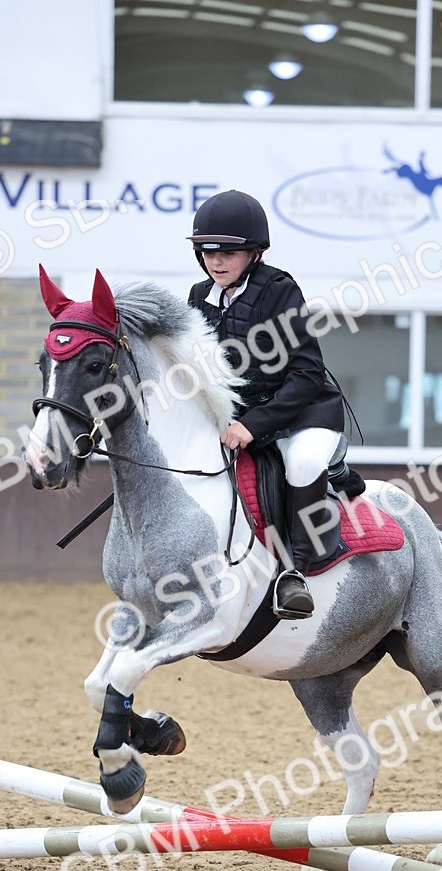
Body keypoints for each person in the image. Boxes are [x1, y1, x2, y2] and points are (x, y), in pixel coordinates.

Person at [186, 189, 346, 619]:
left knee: (302, 464)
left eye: (229, 252)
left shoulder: (280, 290)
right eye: (207, 251)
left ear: (255, 252)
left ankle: (296, 572)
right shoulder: (200, 294)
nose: (216, 261)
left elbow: (307, 373)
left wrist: (253, 426)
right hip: (240, 417)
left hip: (303, 412)